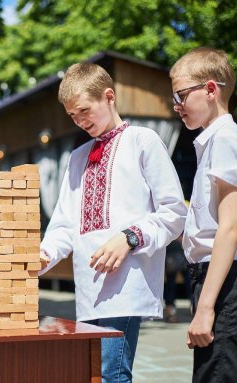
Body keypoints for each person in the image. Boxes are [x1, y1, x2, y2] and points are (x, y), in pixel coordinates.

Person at [39, 62, 187, 382]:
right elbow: (65, 225)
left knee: (110, 375)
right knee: (94, 375)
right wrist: (43, 256)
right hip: (87, 287)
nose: (79, 121)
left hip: (126, 283)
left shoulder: (143, 141)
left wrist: (129, 237)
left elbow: (175, 212)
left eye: (84, 111)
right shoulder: (76, 157)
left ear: (109, 96)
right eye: (72, 116)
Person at [170, 47, 237, 382]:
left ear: (210, 90)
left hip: (230, 284)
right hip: (222, 281)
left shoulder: (225, 140)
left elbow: (229, 231)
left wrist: (205, 307)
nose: (176, 105)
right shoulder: (214, 142)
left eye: (181, 95)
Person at [163, 235, 191, 323]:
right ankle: (171, 311)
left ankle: (171, 312)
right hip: (177, 252)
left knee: (188, 282)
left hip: (177, 252)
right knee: (188, 283)